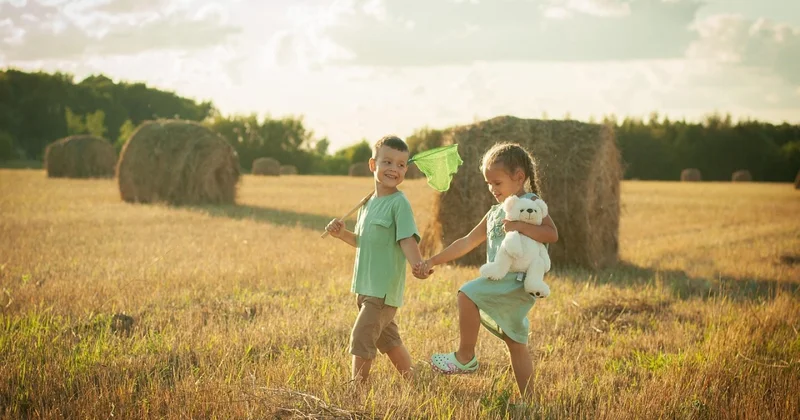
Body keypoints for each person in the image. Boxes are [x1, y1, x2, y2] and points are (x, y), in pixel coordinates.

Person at [413, 142, 558, 399]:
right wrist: (433, 260)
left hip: (517, 280)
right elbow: (467, 241)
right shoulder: (494, 213)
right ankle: (530, 401)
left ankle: (465, 357)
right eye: (488, 184)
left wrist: (518, 227)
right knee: (516, 344)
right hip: (506, 280)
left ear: (519, 178)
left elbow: (551, 234)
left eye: (497, 183)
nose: (492, 189)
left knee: (466, 294)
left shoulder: (530, 203)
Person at [325, 135, 431, 383]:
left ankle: (356, 389)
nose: (394, 169)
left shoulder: (399, 204)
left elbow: (407, 239)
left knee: (362, 336)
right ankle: (414, 380)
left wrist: (418, 264)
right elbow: (363, 242)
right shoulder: (367, 203)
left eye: (401, 165)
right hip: (364, 287)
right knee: (388, 340)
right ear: (373, 165)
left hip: (382, 291)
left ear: (406, 169)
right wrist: (342, 234)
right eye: (388, 162)